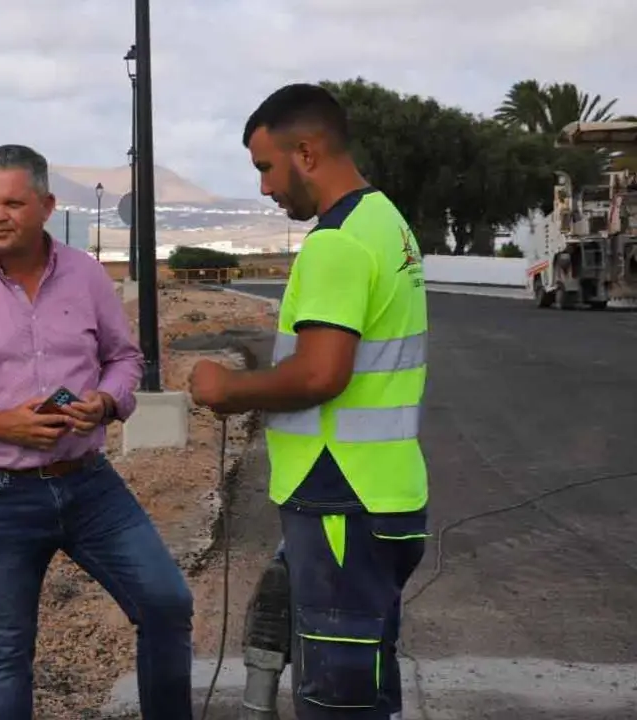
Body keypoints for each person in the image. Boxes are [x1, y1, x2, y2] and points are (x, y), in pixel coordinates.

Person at [0, 144, 195, 719]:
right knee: (6, 651)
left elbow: (125, 358)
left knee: (166, 602)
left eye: (13, 202)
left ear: (47, 205)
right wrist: (3, 424)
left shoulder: (85, 274)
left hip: (89, 484)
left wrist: (105, 402)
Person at [188, 83, 429, 720]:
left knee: (336, 700)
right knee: (368, 688)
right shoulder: (388, 223)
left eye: (267, 167)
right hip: (381, 495)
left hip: (341, 499)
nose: (266, 188)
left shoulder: (337, 240)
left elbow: (322, 374)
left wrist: (229, 390)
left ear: (307, 151)